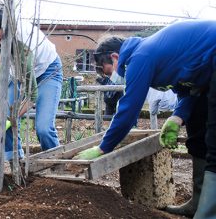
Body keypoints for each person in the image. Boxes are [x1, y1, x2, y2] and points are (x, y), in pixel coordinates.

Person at [75, 20, 216, 218]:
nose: (113, 76)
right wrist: (177, 117)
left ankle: (209, 213)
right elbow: (186, 90)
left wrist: (103, 147)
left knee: (214, 138)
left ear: (116, 57)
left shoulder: (140, 56)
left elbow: (129, 108)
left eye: (109, 71)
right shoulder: (152, 55)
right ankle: (199, 203)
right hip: (206, 74)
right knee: (198, 133)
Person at [0, 4, 63, 163]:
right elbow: (0, 66)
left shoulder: (23, 44)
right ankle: (15, 163)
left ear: (11, 32)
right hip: (16, 71)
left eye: (2, 38)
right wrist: (2, 96)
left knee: (43, 128)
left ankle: (57, 163)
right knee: (3, 115)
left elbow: (31, 96)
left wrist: (13, 117)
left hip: (47, 70)